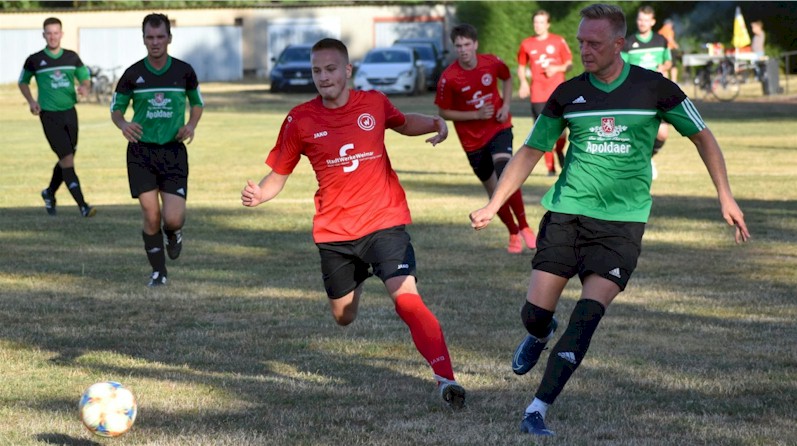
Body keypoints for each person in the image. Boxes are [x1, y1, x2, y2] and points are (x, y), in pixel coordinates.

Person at [469, 3, 750, 436]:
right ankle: (540, 334)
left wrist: (725, 195)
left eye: (594, 43)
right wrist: (493, 205)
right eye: (581, 41)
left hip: (621, 225)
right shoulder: (568, 93)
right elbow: (529, 151)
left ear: (619, 44)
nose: (584, 49)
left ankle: (537, 409)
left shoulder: (655, 89)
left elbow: (703, 137)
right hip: (566, 215)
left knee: (587, 316)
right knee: (533, 315)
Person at [241, 38, 466, 410]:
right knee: (343, 317)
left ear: (347, 70)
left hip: (384, 221)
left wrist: (435, 122)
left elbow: (402, 122)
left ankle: (446, 379)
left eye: (331, 69)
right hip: (336, 234)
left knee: (407, 300)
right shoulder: (300, 119)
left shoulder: (374, 103)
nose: (323, 77)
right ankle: (358, 276)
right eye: (317, 70)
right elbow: (278, 172)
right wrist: (260, 194)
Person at [111, 13, 204, 287]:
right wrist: (123, 124)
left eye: (160, 36)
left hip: (173, 152)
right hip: (141, 153)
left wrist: (191, 124)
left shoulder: (184, 71)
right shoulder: (132, 74)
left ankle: (173, 233)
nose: (155, 42)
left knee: (172, 218)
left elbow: (197, 103)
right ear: (143, 39)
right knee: (151, 214)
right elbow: (116, 109)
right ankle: (158, 272)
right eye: (150, 37)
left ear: (169, 38)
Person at [435, 23, 536, 254]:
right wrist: (475, 114)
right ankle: (512, 231)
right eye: (458, 45)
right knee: (493, 192)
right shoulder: (448, 78)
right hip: (472, 142)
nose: (463, 49)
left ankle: (525, 227)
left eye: (467, 44)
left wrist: (506, 105)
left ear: (475, 44)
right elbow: (443, 111)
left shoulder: (491, 62)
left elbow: (507, 77)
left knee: (506, 173)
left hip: (498, 127)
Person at [18, 17, 96, 218]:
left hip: (70, 113)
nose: (53, 36)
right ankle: (83, 205)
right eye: (49, 33)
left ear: (61, 34)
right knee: (67, 160)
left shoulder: (71, 57)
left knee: (66, 158)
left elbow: (85, 78)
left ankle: (49, 192)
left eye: (56, 32)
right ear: (44, 35)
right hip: (49, 115)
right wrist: (31, 101)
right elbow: (23, 82)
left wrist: (84, 88)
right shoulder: (34, 59)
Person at [516, 10, 573, 177]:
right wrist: (524, 83)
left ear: (547, 24)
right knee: (545, 132)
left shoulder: (558, 41)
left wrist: (557, 68)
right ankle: (550, 168)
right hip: (538, 95)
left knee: (563, 132)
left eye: (541, 22)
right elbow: (521, 67)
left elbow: (569, 64)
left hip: (558, 93)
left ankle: (559, 151)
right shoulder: (526, 44)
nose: (538, 25)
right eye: (535, 22)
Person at [622, 5, 672, 180]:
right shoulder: (628, 43)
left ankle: (648, 158)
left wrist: (663, 67)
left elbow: (668, 62)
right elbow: (621, 67)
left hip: (658, 93)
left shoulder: (661, 40)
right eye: (639, 19)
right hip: (636, 95)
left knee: (662, 133)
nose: (642, 23)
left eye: (646, 19)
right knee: (637, 131)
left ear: (652, 21)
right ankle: (637, 163)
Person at [657, 18, 682, 83]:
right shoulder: (669, 30)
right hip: (669, 50)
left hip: (662, 50)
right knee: (673, 66)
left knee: (664, 66)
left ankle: (665, 81)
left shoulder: (660, 31)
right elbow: (670, 39)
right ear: (669, 24)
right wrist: (677, 46)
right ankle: (674, 81)